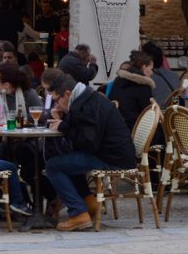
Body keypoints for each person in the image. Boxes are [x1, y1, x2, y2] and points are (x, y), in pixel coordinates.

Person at [43, 72, 132, 231]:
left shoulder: (85, 105)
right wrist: (64, 119)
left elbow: (88, 143)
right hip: (114, 154)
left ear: (68, 94)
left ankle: (78, 214)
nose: (56, 105)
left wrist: (63, 126)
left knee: (53, 166)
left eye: (57, 100)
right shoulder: (86, 98)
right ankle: (88, 204)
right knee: (65, 161)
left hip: (111, 158)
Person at [106, 51, 156, 131]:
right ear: (143, 67)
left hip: (114, 126)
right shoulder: (143, 85)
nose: (152, 72)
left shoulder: (118, 80)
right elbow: (148, 112)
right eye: (150, 69)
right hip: (134, 129)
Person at [143, 41, 179, 106]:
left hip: (156, 114)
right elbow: (176, 101)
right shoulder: (174, 75)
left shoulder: (146, 77)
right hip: (173, 113)